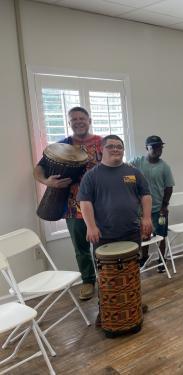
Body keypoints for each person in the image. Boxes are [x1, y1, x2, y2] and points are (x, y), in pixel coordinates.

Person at [33, 106, 102, 301]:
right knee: (81, 248)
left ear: (89, 121)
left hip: (101, 206)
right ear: (69, 123)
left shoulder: (103, 143)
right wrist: (47, 182)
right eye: (74, 119)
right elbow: (38, 169)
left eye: (82, 118)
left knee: (102, 245)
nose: (78, 121)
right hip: (73, 207)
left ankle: (105, 277)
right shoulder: (62, 146)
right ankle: (88, 281)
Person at [77, 135, 153, 248]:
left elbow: (146, 195)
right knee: (108, 267)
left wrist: (147, 218)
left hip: (132, 232)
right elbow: (85, 202)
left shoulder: (134, 172)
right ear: (101, 149)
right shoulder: (91, 176)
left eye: (119, 147)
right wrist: (91, 227)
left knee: (132, 266)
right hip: (103, 235)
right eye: (110, 146)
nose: (115, 149)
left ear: (123, 150)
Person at [130, 135, 175, 273]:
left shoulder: (164, 167)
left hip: (159, 210)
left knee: (161, 235)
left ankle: (162, 259)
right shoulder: (137, 162)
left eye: (160, 147)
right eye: (154, 147)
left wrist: (164, 207)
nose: (157, 149)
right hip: (141, 210)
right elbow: (125, 171)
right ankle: (144, 257)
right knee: (144, 235)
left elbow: (169, 188)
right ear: (147, 148)